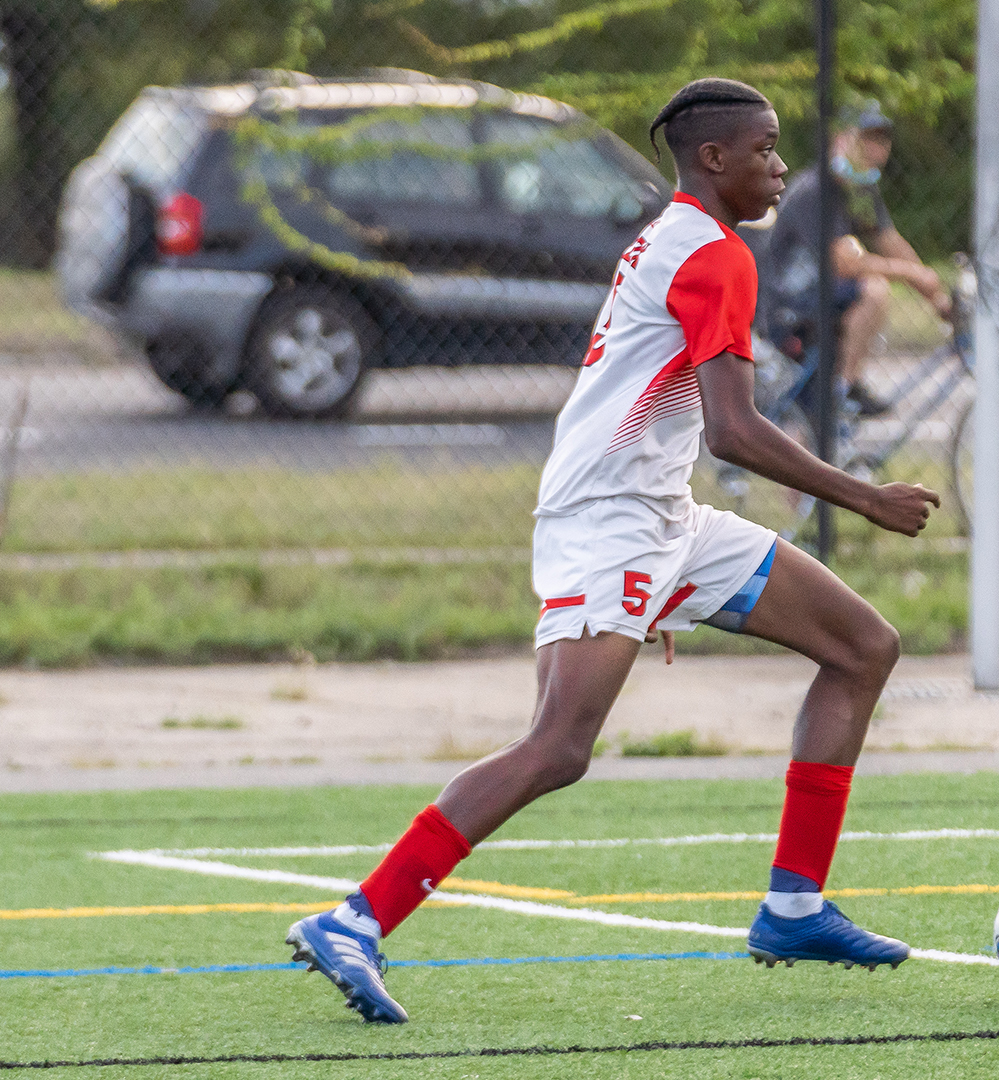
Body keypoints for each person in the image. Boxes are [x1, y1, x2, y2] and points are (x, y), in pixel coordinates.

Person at [285, 78, 942, 1025]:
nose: (781, 166)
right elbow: (734, 431)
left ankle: (794, 905)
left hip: (660, 514)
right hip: (610, 520)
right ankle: (357, 918)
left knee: (862, 648)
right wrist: (863, 495)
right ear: (713, 160)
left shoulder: (686, 235)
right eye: (764, 149)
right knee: (558, 746)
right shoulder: (712, 254)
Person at [763, 99, 952, 417]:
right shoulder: (816, 189)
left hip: (822, 293)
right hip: (788, 302)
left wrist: (939, 300)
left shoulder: (860, 190)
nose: (876, 149)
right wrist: (912, 274)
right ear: (841, 139)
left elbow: (890, 242)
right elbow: (845, 263)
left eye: (882, 140)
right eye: (866, 138)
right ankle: (845, 390)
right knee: (874, 290)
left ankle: (840, 393)